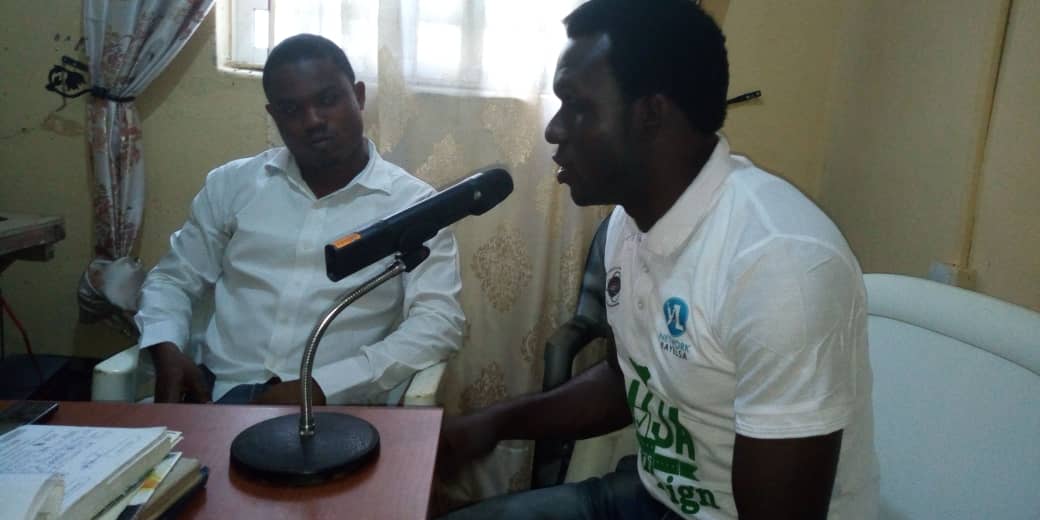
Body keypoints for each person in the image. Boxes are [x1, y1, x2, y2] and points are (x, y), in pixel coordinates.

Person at [437, 1, 877, 518]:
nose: (554, 130)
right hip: (650, 497)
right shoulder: (627, 226)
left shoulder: (779, 266)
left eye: (577, 106)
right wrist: (492, 424)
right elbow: (632, 379)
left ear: (651, 113)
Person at [135, 34, 465, 406]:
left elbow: (438, 322)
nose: (313, 121)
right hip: (216, 396)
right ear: (274, 116)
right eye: (291, 109)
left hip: (332, 411)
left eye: (327, 100)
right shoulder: (232, 184)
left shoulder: (414, 206)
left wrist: (322, 386)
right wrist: (166, 347)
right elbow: (172, 279)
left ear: (358, 96)